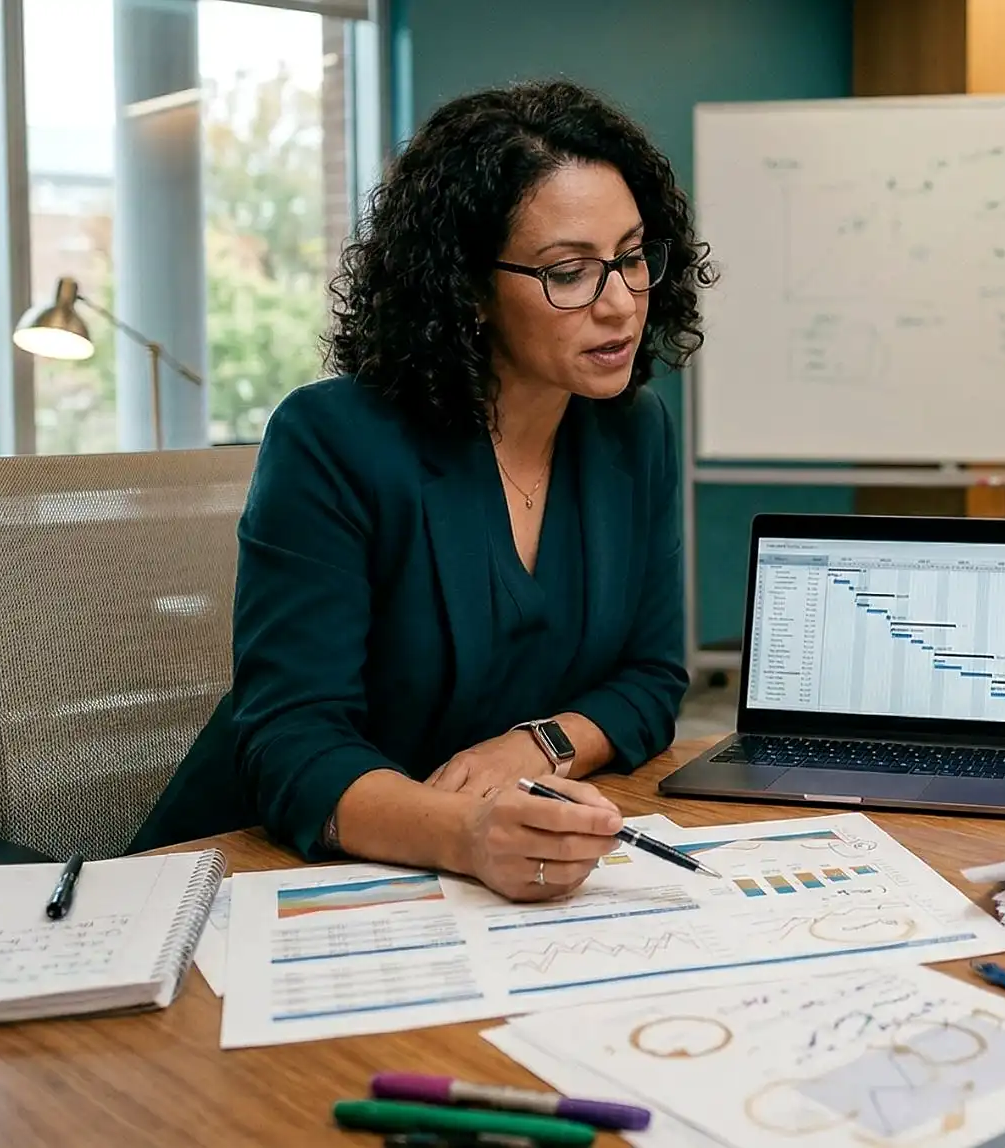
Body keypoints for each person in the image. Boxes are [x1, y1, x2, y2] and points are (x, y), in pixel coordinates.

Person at [131, 80, 708, 903]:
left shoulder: (633, 430)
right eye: (569, 272)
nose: (620, 302)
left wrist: (538, 745)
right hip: (259, 880)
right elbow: (290, 743)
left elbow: (649, 679)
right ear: (467, 289)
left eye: (631, 256)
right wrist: (468, 835)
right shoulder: (333, 439)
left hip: (482, 889)